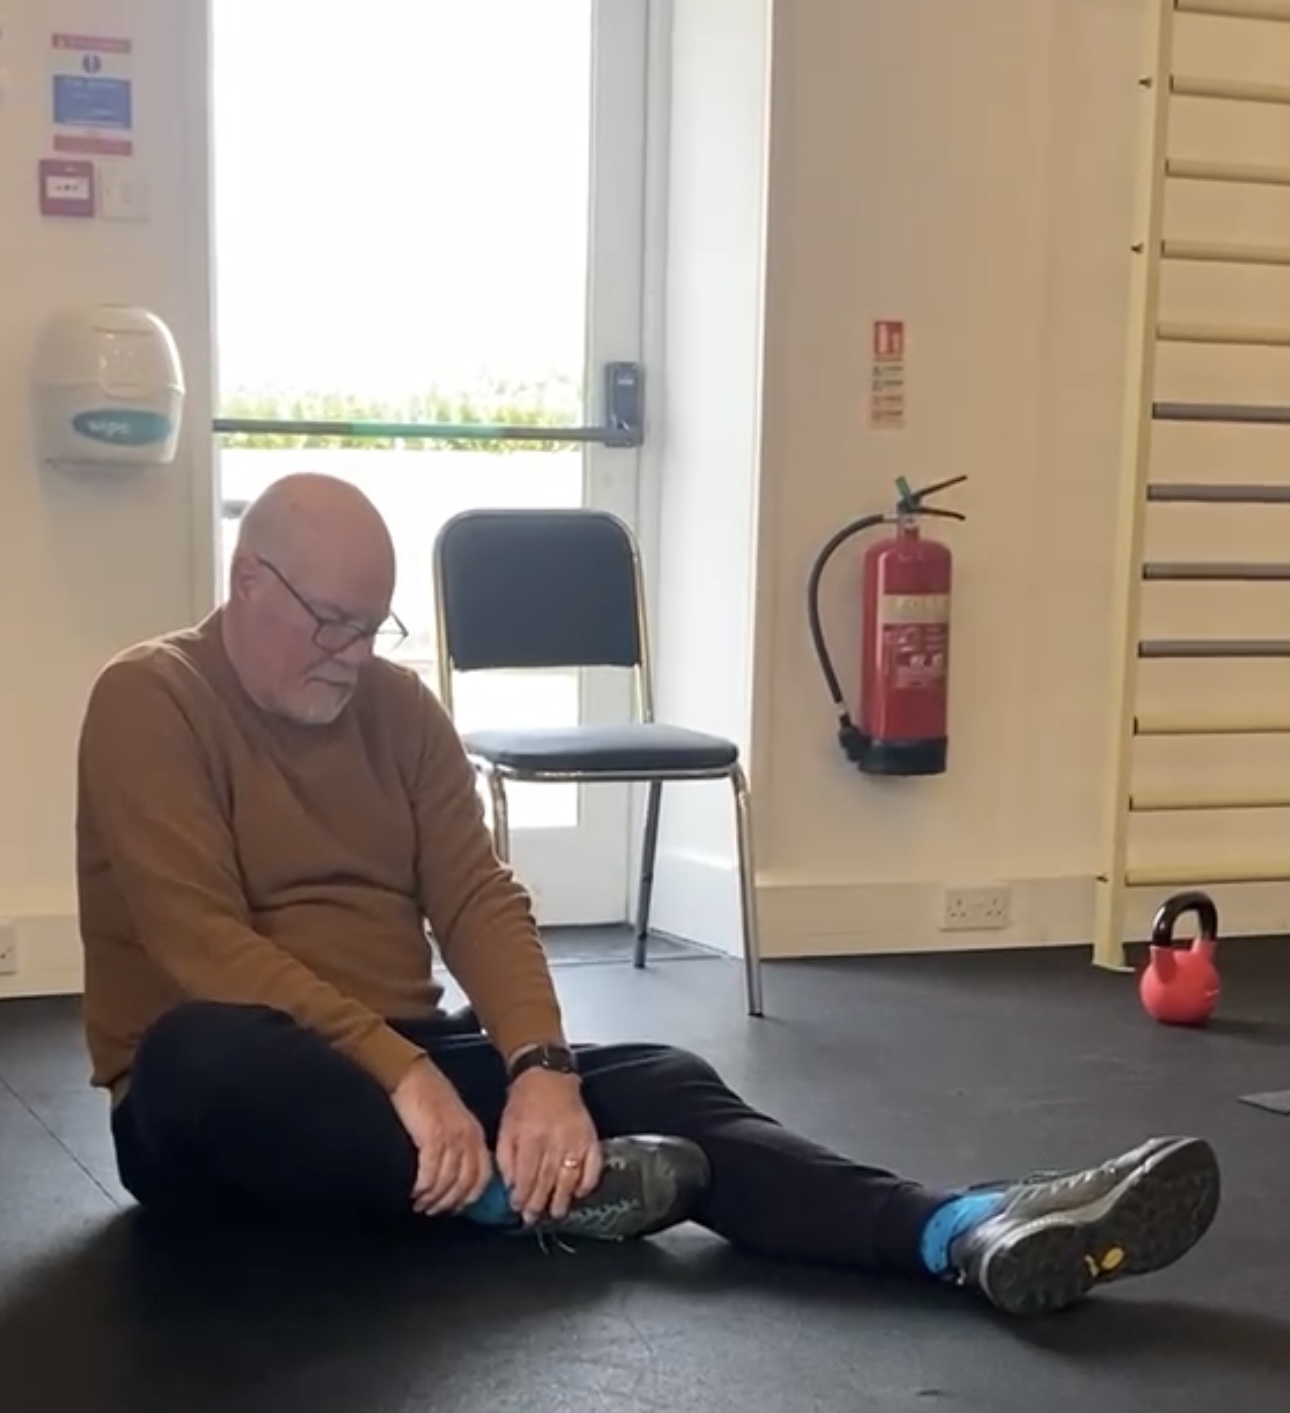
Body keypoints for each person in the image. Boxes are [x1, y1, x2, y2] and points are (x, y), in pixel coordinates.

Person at [74, 474, 1221, 1319]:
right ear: (246, 583)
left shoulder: (398, 709)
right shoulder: (152, 699)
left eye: (373, 628)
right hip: (241, 1095)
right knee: (203, 1059)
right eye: (330, 623)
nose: (352, 653)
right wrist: (409, 1078)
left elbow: (476, 894)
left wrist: (539, 1071)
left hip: (408, 1072)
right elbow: (202, 946)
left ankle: (959, 1229)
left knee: (665, 1080)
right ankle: (526, 1201)